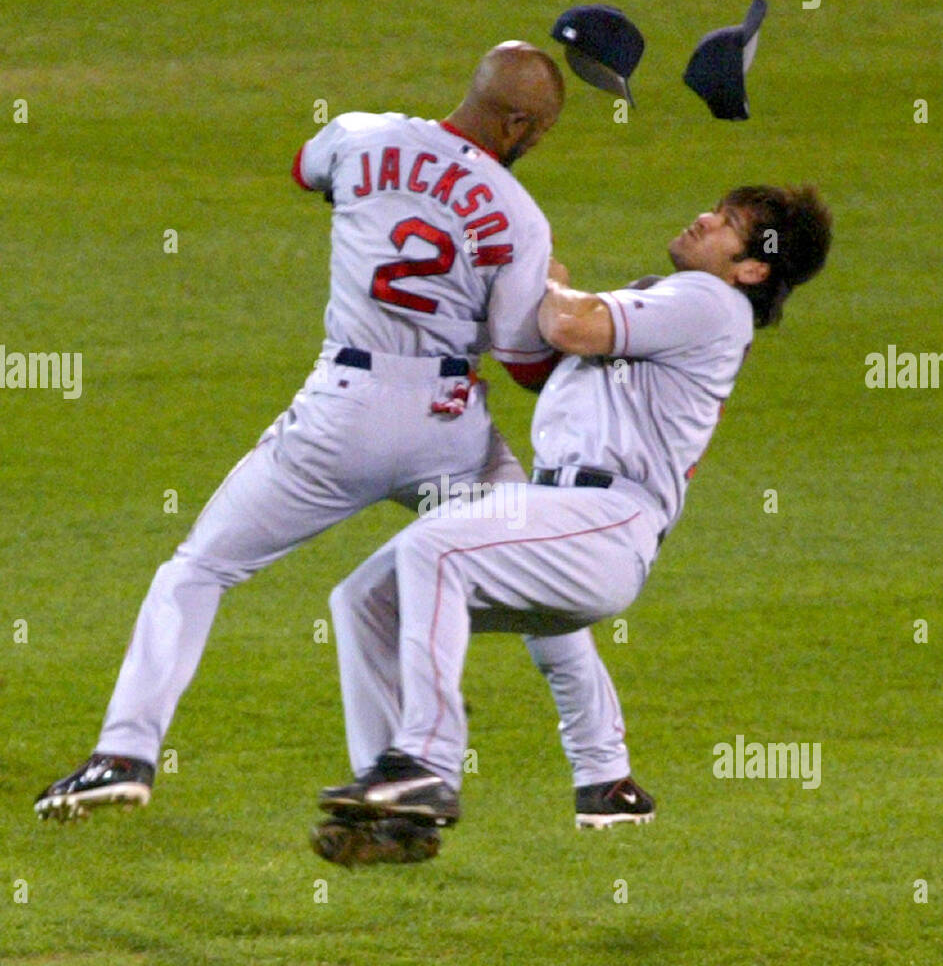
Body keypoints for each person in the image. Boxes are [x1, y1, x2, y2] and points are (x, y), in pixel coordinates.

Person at [35, 41, 632, 825]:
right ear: (516, 121)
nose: (535, 145)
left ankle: (124, 753)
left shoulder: (360, 134)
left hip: (340, 417)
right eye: (538, 132)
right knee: (532, 580)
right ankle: (604, 782)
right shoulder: (519, 217)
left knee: (199, 569)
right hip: (448, 428)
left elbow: (302, 168)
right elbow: (523, 361)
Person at [317, 186, 833, 849]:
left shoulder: (710, 301)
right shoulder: (674, 303)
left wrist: (541, 273)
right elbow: (554, 344)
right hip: (566, 512)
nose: (703, 217)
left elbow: (568, 325)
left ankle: (425, 765)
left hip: (607, 517)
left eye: (728, 224)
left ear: (752, 267)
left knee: (434, 551)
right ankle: (397, 802)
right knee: (364, 597)